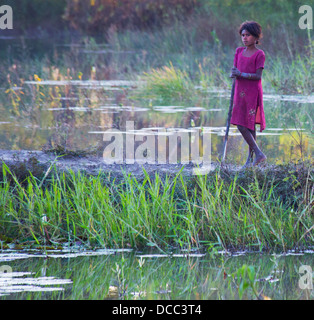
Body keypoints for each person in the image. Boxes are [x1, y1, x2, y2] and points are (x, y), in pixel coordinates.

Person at [230, 21, 267, 168]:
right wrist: (234, 73)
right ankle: (254, 158)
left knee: (246, 124)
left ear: (256, 37)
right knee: (244, 124)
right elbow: (235, 69)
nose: (245, 38)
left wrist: (241, 74)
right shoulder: (239, 51)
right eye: (243, 35)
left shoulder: (260, 54)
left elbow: (258, 76)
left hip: (252, 92)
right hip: (240, 92)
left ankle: (257, 155)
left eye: (248, 35)